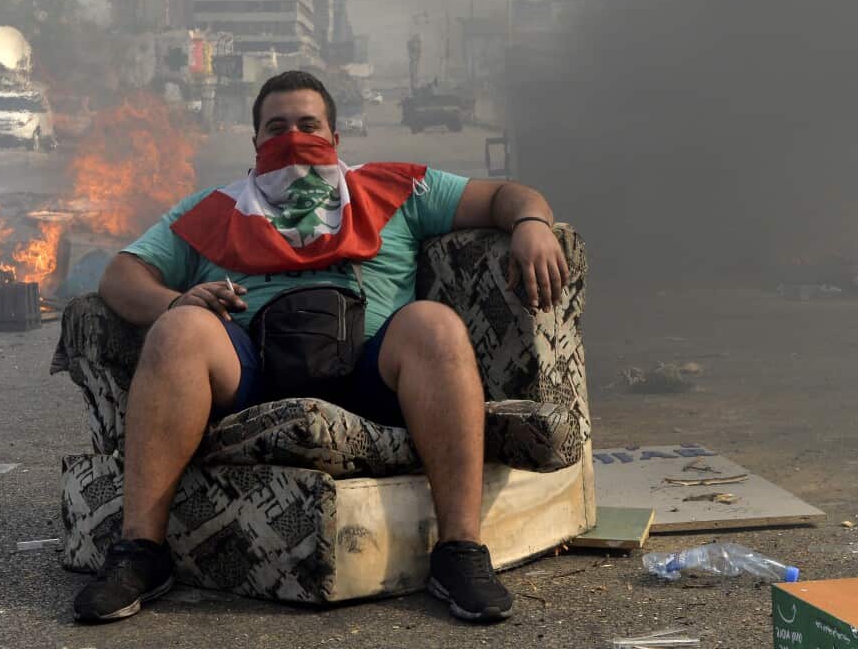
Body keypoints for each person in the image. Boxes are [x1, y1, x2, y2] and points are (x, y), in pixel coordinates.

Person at [73, 71, 569, 624]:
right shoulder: (212, 210)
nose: (293, 137)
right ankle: (140, 553)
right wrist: (175, 300)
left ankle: (459, 553)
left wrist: (531, 222)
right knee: (179, 328)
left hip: (371, 370)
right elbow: (121, 274)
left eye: (309, 124)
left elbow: (507, 195)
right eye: (276, 127)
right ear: (256, 141)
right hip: (252, 373)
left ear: (335, 137)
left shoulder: (393, 188)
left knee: (434, 324)